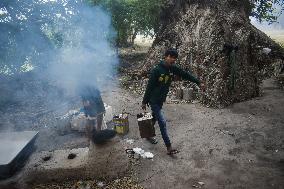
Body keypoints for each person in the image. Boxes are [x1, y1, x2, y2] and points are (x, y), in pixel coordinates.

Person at [142, 49, 204, 155]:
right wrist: (144, 101)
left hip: (161, 100)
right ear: (166, 56)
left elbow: (185, 74)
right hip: (154, 100)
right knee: (162, 121)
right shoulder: (156, 70)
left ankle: (147, 134)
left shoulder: (172, 68)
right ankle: (169, 147)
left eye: (174, 58)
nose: (173, 60)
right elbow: (149, 87)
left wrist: (198, 82)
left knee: (154, 117)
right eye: (171, 57)